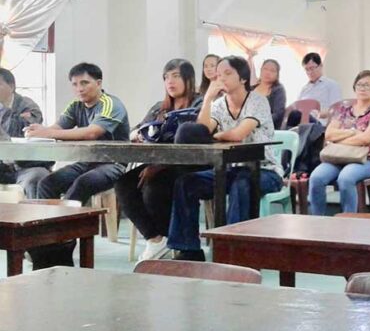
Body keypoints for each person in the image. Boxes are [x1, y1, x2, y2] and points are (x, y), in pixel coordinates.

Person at [168, 55, 283, 261]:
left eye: (228, 74)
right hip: (229, 169)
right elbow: (201, 130)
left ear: (243, 79)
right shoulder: (219, 105)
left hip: (265, 171)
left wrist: (215, 136)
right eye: (219, 75)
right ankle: (189, 250)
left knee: (242, 183)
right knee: (186, 183)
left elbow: (238, 134)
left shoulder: (258, 101)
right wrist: (208, 99)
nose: (222, 79)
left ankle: (232, 250)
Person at [115, 59, 203, 261]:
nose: (170, 81)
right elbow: (137, 129)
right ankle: (156, 239)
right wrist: (138, 134)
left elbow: (192, 141)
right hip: (156, 163)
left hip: (187, 164)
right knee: (124, 184)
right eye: (166, 77)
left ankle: (172, 242)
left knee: (154, 187)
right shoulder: (159, 107)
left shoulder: (199, 104)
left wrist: (160, 166)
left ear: (188, 79)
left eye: (176, 76)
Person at [28, 62, 130, 203]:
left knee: (82, 183)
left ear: (98, 83)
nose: (79, 89)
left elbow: (92, 133)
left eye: (84, 83)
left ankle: (67, 223)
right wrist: (38, 131)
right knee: (47, 183)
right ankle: (49, 224)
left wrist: (47, 133)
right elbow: (57, 128)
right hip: (86, 162)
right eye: (74, 84)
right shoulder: (75, 105)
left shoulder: (111, 104)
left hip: (113, 164)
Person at [309, 70, 370, 215]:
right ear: (354, 87)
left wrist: (342, 138)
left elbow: (366, 139)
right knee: (316, 178)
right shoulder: (343, 110)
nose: (363, 88)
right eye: (360, 84)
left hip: (365, 160)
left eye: (368, 85)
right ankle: (317, 220)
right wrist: (352, 132)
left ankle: (347, 221)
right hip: (337, 157)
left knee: (346, 178)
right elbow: (329, 134)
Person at [0, 68, 51, 197]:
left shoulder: (27, 104)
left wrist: (8, 112)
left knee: (38, 176)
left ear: (11, 86)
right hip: (3, 166)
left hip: (26, 165)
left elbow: (30, 129)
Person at [298, 52, 342, 124]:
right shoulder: (304, 89)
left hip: (320, 124)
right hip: (303, 123)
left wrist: (318, 114)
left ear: (320, 66)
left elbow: (337, 110)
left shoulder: (331, 85)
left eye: (312, 68)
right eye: (306, 69)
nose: (309, 72)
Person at [253, 59, 286, 129]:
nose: (268, 73)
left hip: (267, 129)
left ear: (277, 74)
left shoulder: (278, 90)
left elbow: (278, 114)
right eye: (265, 69)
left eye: (272, 71)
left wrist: (258, 122)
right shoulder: (251, 89)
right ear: (261, 70)